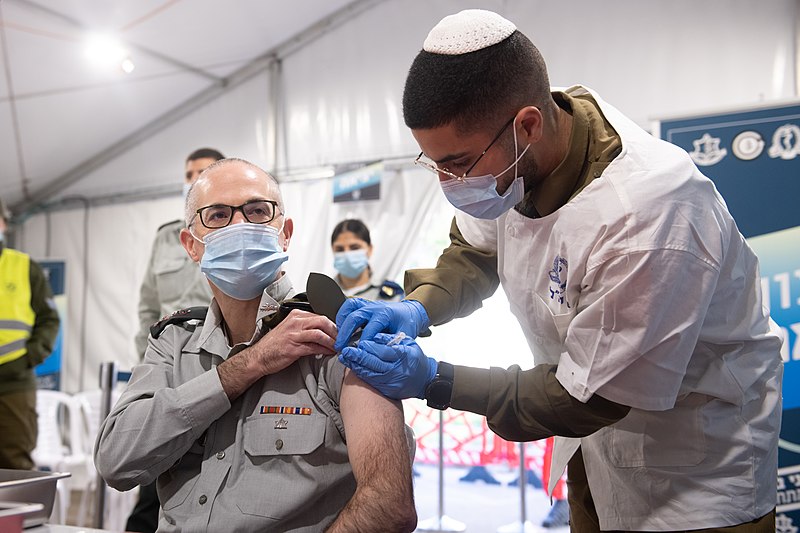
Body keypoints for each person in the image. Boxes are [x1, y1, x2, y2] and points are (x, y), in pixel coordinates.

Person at [335, 9, 783, 532]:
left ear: (528, 124)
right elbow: (476, 250)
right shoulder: (519, 147)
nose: (447, 181)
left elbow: (587, 397)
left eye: (456, 163)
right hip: (594, 455)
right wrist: (417, 305)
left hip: (695, 476)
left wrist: (437, 380)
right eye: (433, 163)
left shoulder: (648, 215)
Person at [95, 158, 417, 533]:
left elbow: (389, 504)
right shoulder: (174, 343)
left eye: (258, 211)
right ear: (191, 245)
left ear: (285, 232)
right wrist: (249, 364)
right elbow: (116, 462)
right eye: (217, 215)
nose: (240, 226)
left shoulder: (337, 334)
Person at [127, 147, 225, 533]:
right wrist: (149, 365)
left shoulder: (239, 234)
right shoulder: (167, 237)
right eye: (189, 173)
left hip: (218, 370)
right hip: (169, 370)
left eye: (204, 171)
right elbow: (147, 307)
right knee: (151, 484)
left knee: (211, 470)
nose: (194, 178)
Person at [0, 196, 60, 470]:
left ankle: (16, 516)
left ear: (4, 224)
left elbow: (48, 319)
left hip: (13, 384)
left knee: (14, 465)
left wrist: (28, 358)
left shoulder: (24, 267)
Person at [331, 218, 404, 301]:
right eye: (339, 249)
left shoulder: (391, 294)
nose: (347, 254)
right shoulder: (323, 292)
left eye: (355, 248)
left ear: (370, 249)